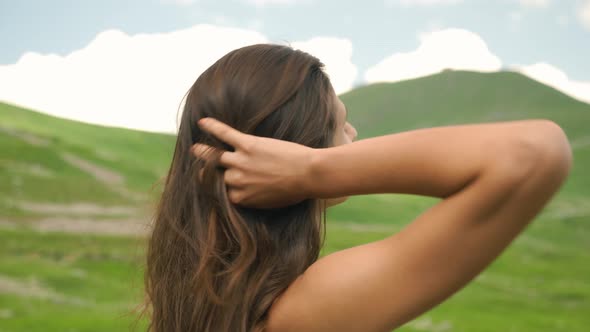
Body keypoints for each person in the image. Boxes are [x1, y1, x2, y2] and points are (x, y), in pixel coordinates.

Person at [143, 43, 573, 332]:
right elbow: (534, 152)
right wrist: (314, 170)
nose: (352, 132)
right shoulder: (298, 313)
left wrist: (311, 166)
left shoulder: (204, 297)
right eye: (338, 121)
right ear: (291, 149)